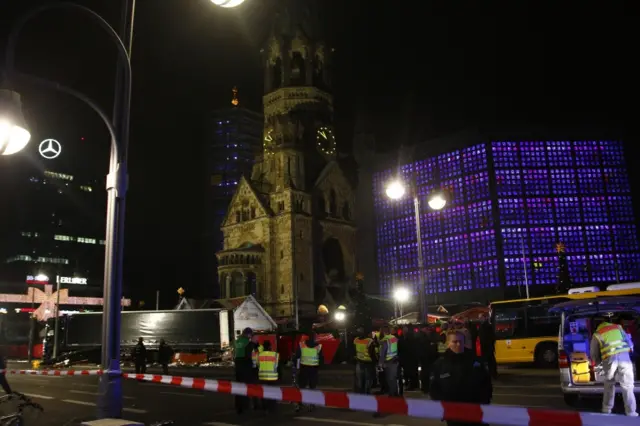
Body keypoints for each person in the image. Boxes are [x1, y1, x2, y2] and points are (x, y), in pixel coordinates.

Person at [429, 330, 493, 426]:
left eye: (461, 341)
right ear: (448, 343)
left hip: (474, 412)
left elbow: (486, 384)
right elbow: (434, 389)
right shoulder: (440, 365)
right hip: (453, 414)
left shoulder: (475, 361)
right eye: (455, 342)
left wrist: (483, 403)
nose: (458, 344)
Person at [590, 314, 637, 417]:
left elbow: (594, 354)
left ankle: (607, 410)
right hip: (624, 358)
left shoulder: (597, 334)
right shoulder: (618, 327)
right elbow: (630, 343)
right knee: (628, 386)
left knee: (609, 385)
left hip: (610, 360)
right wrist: (629, 353)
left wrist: (598, 366)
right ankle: (631, 412)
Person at [294, 331, 323, 412]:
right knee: (312, 387)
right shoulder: (318, 346)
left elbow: (296, 356)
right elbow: (321, 359)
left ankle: (299, 404)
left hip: (304, 369)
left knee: (301, 387)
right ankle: (312, 404)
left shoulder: (302, 345)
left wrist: (295, 366)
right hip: (313, 369)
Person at [234, 327, 257, 414]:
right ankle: (245, 405)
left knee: (238, 385)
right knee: (246, 386)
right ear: (248, 334)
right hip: (245, 364)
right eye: (251, 335)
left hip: (238, 365)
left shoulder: (237, 341)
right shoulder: (248, 342)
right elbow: (249, 354)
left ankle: (238, 405)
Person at [353, 327, 377, 394]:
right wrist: (375, 362)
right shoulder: (369, 341)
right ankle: (366, 394)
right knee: (367, 380)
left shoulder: (356, 340)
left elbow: (354, 351)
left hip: (361, 363)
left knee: (361, 381)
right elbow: (372, 353)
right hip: (367, 363)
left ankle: (362, 394)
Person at [257, 340, 279, 412]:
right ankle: (272, 408)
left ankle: (264, 407)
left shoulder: (259, 355)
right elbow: (276, 365)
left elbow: (258, 365)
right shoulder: (275, 354)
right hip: (272, 377)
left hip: (262, 377)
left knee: (263, 393)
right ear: (270, 346)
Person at [378, 326, 399, 397]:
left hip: (388, 362)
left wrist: (380, 364)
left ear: (383, 332)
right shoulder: (394, 338)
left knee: (390, 379)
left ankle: (392, 395)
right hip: (395, 360)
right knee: (393, 379)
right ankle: (395, 393)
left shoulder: (385, 340)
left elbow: (382, 353)